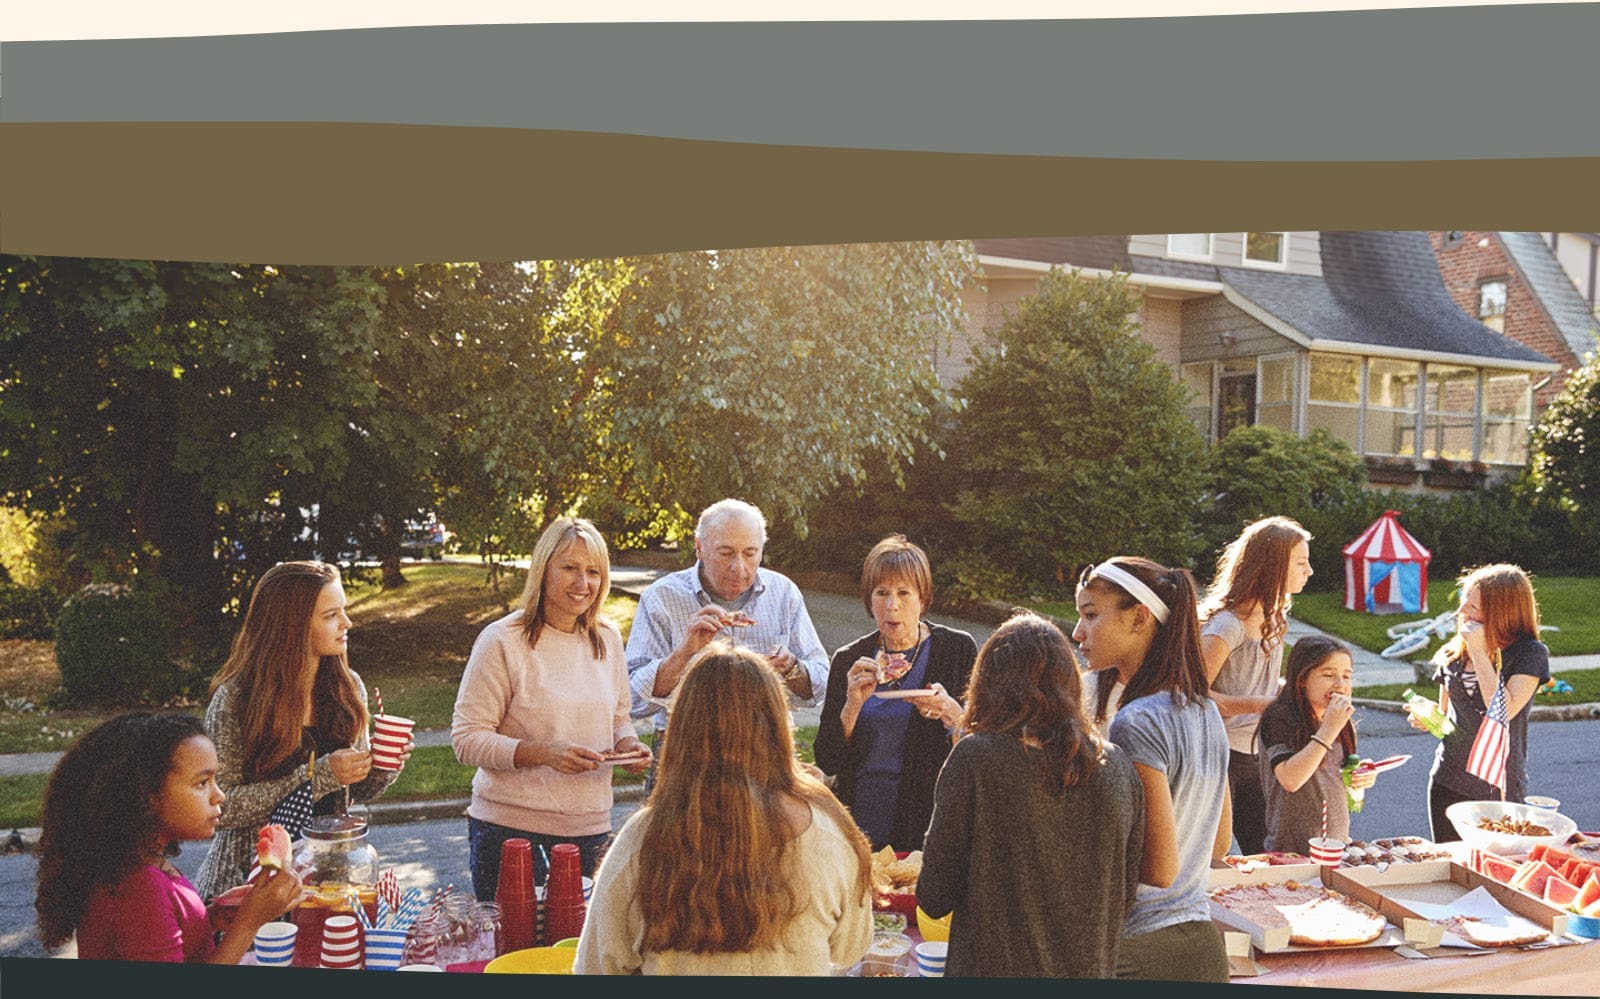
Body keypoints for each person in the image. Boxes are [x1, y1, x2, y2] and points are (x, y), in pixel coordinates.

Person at [575, 643, 873, 975]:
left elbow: (596, 967)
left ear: (683, 729)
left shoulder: (643, 838)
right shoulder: (830, 833)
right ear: (777, 727)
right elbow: (851, 948)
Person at [916, 613, 1143, 978]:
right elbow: (1124, 897)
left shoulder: (977, 758)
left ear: (986, 683)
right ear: (1070, 685)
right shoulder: (1117, 766)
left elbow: (934, 895)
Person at [453, 516, 649, 899]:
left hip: (589, 829)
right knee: (515, 954)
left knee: (577, 954)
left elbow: (618, 718)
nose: (583, 583)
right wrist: (543, 754)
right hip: (507, 831)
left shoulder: (607, 638)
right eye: (570, 568)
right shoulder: (501, 640)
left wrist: (627, 746)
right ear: (544, 570)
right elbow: (466, 740)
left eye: (593, 571)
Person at [194, 561, 407, 900]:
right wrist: (318, 776)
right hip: (246, 888)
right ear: (291, 627)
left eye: (344, 611)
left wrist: (381, 765)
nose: (347, 623)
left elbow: (354, 793)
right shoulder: (235, 699)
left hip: (328, 883)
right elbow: (223, 807)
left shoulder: (348, 688)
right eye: (330, 615)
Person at [35, 711, 304, 963]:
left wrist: (210, 919)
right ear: (147, 796)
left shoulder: (145, 861)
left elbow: (161, 939)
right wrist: (248, 923)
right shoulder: (138, 887)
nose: (219, 795)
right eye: (202, 783)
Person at [1073, 557, 1231, 983]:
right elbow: (1219, 843)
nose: (1078, 633)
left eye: (1091, 615)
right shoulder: (1206, 710)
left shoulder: (1136, 721)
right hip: (1202, 947)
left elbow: (1159, 870)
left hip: (1138, 950)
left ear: (1140, 618)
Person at [625, 498, 829, 794]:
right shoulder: (662, 597)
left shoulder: (783, 593)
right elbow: (633, 699)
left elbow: (822, 684)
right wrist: (685, 653)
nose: (739, 567)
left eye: (750, 553)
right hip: (686, 749)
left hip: (765, 747)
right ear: (699, 548)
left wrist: (792, 668)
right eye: (726, 553)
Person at [814, 534, 975, 851]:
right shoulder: (850, 659)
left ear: (923, 599)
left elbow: (981, 744)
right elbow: (827, 760)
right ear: (869, 600)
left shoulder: (956, 650)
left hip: (926, 820)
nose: (892, 605)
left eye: (904, 593)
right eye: (882, 593)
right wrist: (852, 706)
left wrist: (951, 712)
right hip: (856, 815)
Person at [1197, 516, 1314, 856]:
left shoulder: (1275, 619)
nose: (1309, 572)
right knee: (1211, 854)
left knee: (1266, 851)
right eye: (1301, 563)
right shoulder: (1226, 626)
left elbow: (1255, 682)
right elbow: (1192, 694)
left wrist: (1288, 691)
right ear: (1274, 566)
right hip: (1218, 754)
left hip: (1256, 752)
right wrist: (1261, 704)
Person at [1413, 563, 1550, 842]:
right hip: (1447, 778)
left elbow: (1502, 710)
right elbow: (1445, 717)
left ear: (1503, 611)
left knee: (1490, 875)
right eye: (1464, 604)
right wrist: (1428, 719)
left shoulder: (1529, 654)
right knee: (1449, 866)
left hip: (1497, 786)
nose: (1462, 613)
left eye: (1472, 607)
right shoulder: (1453, 653)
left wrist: (1478, 651)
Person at [1257, 636, 1378, 853]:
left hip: (1336, 843)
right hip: (1290, 851)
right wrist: (1328, 730)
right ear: (1302, 678)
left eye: (1347, 676)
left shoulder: (1338, 720)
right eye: (1328, 675)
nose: (1340, 685)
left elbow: (1331, 776)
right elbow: (1290, 779)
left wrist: (1357, 775)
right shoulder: (1279, 717)